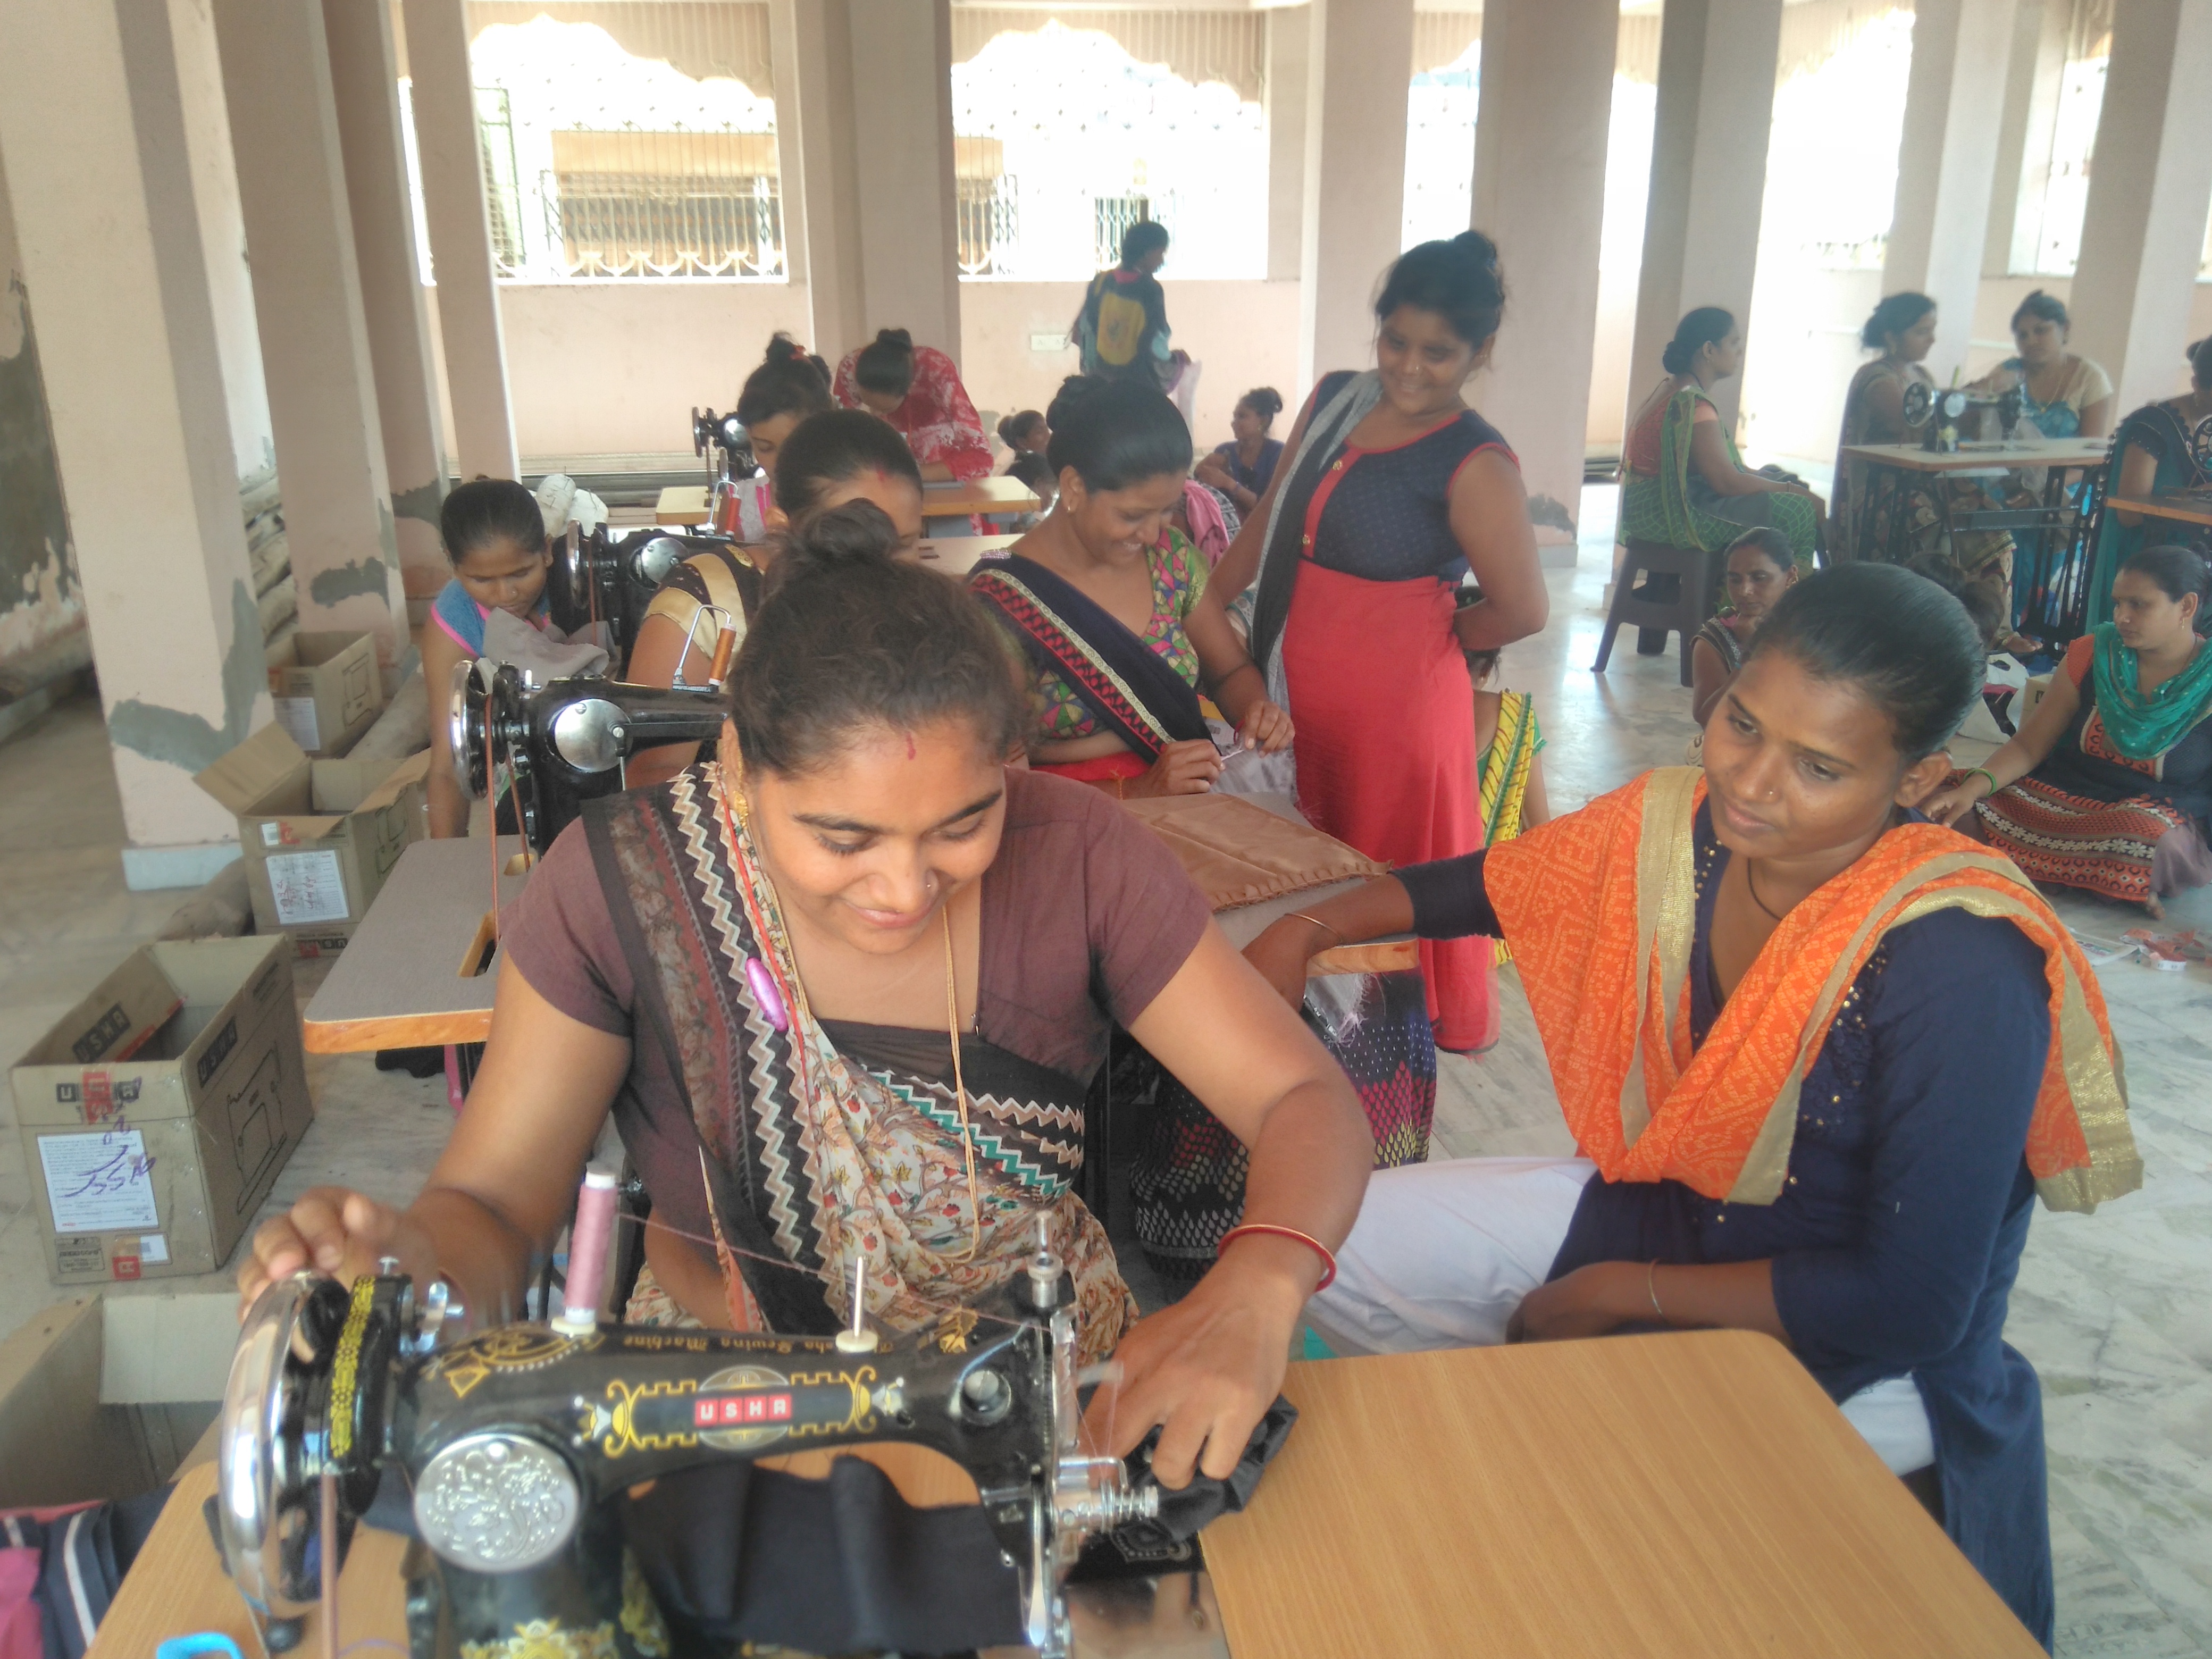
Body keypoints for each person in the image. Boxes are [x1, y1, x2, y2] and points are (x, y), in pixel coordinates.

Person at [239, 501, 1374, 1497]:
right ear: (736, 766)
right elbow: (490, 1209)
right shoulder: (625, 883)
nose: (902, 886)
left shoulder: (1079, 854)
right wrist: (403, 1265)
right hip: (723, 1401)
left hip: (1038, 1387)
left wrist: (1257, 1281)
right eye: (841, 837)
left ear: (1010, 772)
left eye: (963, 826)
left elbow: (1299, 1097)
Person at [1241, 563, 2141, 1644]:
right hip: (1683, 1207)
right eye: (1742, 725)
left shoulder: (1959, 963)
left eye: (1818, 767)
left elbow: (1910, 1302)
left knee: (1650, 1540)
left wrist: (1610, 1295)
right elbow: (1496, 883)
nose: (1754, 783)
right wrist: (1307, 928)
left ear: (1915, 781)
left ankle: (1563, 1458)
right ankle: (1519, 1444)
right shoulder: (1686, 830)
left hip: (1868, 1356)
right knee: (1331, 1245)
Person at [1201, 230, 1548, 1055]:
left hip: (1397, 705)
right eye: (1396, 341)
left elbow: (1524, 608)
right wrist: (1208, 604)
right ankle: (1316, 1006)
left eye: (1440, 352)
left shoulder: (1475, 461)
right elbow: (1271, 519)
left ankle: (1393, 1036)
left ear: (1480, 350)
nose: (1410, 367)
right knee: (1307, 848)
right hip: (1298, 680)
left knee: (1386, 870)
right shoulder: (1336, 398)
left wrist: (1450, 632)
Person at [970, 376, 1290, 798]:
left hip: (1188, 796)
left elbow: (1228, 670)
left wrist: (1255, 712)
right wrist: (1141, 790)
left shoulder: (1172, 562)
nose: (1153, 535)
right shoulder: (998, 599)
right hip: (1071, 817)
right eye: (1133, 515)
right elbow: (1000, 783)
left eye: (1167, 511)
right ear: (1073, 488)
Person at [625, 410, 927, 789]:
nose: (883, 569)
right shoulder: (708, 605)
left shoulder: (921, 608)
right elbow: (649, 779)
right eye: (856, 544)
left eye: (906, 545)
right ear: (780, 526)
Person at [1924, 544, 2212, 916]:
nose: (2122, 616)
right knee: (1937, 799)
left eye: (2139, 605)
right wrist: (1971, 790)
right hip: (2060, 799)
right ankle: (2104, 880)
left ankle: (2058, 868)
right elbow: (2030, 746)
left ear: (2187, 607)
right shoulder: (2094, 653)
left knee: (2147, 840)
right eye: (2118, 603)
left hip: (2154, 817)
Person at [1621, 307, 1824, 568]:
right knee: (1797, 511)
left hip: (1656, 507)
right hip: (1668, 514)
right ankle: (1778, 599)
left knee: (1779, 477)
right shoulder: (1692, 404)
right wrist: (1792, 491)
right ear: (1709, 350)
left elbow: (1719, 472)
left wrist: (1783, 483)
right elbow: (1726, 483)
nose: (1739, 351)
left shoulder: (1673, 389)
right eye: (1733, 342)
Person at [422, 479, 554, 839]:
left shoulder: (578, 587)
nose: (506, 594)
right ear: (453, 565)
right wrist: (449, 865)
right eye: (482, 580)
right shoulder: (457, 619)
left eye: (522, 573)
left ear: (547, 550)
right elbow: (448, 765)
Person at [2086, 338, 2212, 625]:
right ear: (2196, 385)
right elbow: (2129, 513)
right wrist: (2195, 498)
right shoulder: (2152, 426)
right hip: (2156, 564)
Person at [1831, 292, 1937, 559]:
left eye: (1932, 331)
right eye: (1922, 332)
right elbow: (1908, 422)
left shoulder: (1921, 376)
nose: (1932, 340)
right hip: (1877, 491)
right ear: (1892, 337)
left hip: (1913, 482)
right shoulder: (1878, 378)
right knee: (1934, 521)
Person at [832, 328, 992, 483]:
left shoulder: (936, 369)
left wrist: (905, 475)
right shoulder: (851, 368)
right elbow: (840, 441)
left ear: (910, 388)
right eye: (869, 405)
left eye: (885, 410)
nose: (876, 414)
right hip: (887, 476)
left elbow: (981, 456)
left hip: (941, 475)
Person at [1690, 528, 1800, 728]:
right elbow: (1709, 718)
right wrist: (1752, 654)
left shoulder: (1810, 628)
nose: (1744, 591)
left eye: (1759, 578)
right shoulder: (1716, 639)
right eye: (1735, 579)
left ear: (1790, 576)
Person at [1971, 290, 2115, 440]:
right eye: (2023, 336)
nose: (2031, 341)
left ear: (2065, 329)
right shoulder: (2008, 372)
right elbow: (1978, 429)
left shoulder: (2089, 377)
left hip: (2068, 464)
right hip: (2008, 464)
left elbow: (2089, 452)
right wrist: (1985, 389)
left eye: (2041, 331)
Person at [1073, 221, 1175, 391]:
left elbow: (1080, 335)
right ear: (1148, 253)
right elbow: (1157, 347)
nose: (1162, 261)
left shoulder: (1101, 283)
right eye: (1161, 253)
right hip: (1137, 390)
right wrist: (1176, 361)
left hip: (1099, 387)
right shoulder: (1150, 289)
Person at [1195, 388, 1286, 515]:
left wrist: (1229, 483)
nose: (1234, 423)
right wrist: (1201, 470)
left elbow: (1270, 509)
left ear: (1264, 421)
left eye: (1242, 416)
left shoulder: (1278, 454)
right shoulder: (1224, 451)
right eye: (1235, 417)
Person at [998, 409, 1056, 523]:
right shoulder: (1029, 469)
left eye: (1047, 429)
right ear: (1022, 443)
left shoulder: (1014, 466)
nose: (1048, 435)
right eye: (1040, 432)